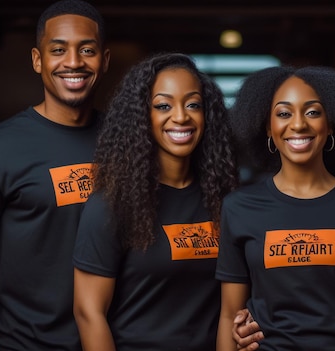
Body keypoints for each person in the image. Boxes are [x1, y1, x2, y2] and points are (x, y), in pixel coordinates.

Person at [0, 0, 110, 350]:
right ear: (38, 60)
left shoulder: (132, 144)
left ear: (104, 60)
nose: (74, 62)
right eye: (58, 49)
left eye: (87, 50)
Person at [216, 65, 335, 351]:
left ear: (331, 123)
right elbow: (230, 313)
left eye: (312, 112)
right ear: (268, 126)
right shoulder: (239, 208)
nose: (298, 124)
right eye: (284, 113)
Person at [72, 52, 238, 350]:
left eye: (193, 105)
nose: (181, 116)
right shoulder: (111, 206)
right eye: (163, 105)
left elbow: (233, 307)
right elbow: (89, 313)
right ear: (141, 116)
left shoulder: (226, 202)